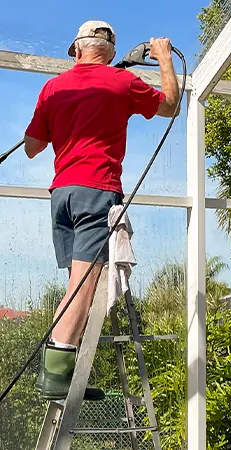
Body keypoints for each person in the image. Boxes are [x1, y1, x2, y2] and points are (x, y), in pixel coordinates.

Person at [24, 20, 180, 400]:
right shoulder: (122, 83)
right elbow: (171, 106)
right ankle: (56, 378)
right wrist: (162, 59)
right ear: (109, 53)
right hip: (97, 191)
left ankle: (61, 372)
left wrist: (58, 122)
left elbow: (31, 148)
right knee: (83, 284)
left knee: (76, 280)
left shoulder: (52, 87)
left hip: (62, 195)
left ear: (76, 50)